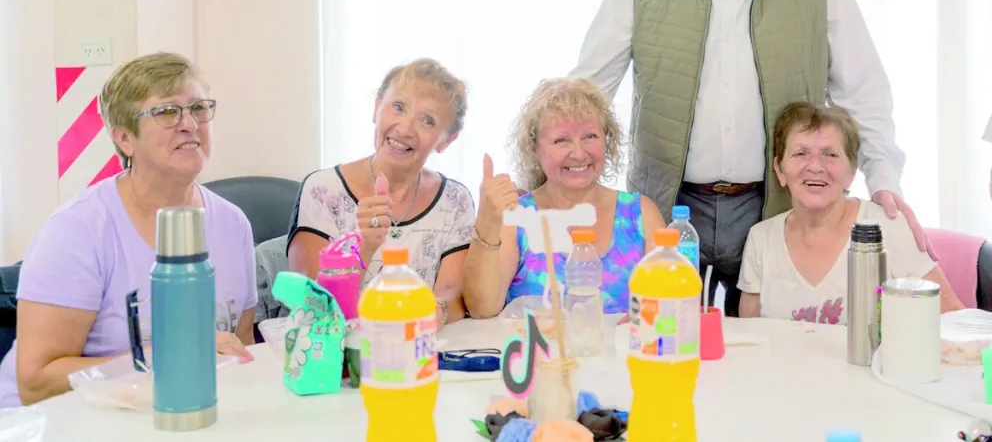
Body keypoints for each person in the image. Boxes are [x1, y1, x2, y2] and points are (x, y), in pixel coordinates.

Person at [570, 0, 929, 316]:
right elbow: (587, 92)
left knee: (773, 361)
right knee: (663, 345)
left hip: (777, 208)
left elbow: (861, 89)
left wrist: (883, 178)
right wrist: (558, 180)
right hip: (669, 211)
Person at [0, 53, 257, 408]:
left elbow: (237, 350)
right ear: (124, 139)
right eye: (167, 112)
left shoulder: (233, 224)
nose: (189, 123)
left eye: (198, 107)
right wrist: (163, 358)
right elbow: (36, 382)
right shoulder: (77, 231)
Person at [287, 58, 475, 328]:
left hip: (420, 353)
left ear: (447, 140)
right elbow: (313, 305)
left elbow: (453, 295)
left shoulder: (455, 201)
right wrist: (366, 245)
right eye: (398, 107)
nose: (405, 128)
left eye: (427, 121)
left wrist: (435, 312)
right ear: (377, 108)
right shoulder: (322, 190)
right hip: (340, 360)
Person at [738, 103, 963, 323]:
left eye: (831, 155)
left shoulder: (886, 225)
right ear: (780, 170)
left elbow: (953, 318)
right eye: (800, 153)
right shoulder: (761, 238)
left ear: (851, 172)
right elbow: (752, 341)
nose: (815, 166)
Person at [462, 78, 666, 318]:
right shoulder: (517, 217)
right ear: (534, 149)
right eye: (561, 140)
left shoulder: (641, 213)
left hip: (625, 353)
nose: (579, 154)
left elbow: (671, 302)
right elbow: (482, 309)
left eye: (590, 136)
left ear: (606, 140)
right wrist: (487, 221)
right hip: (542, 354)